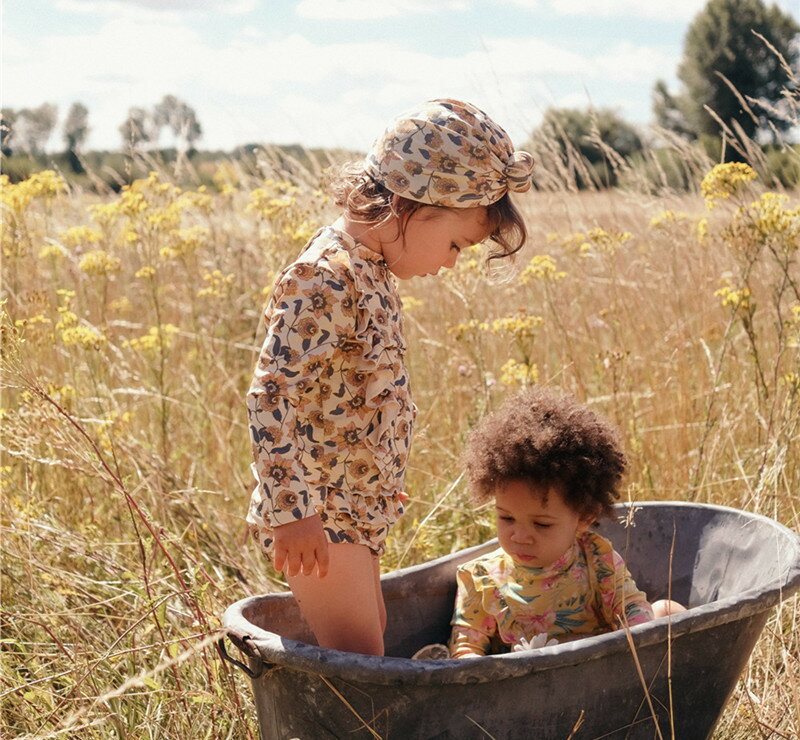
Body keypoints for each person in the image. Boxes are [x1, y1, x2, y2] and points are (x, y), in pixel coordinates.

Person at [246, 99, 535, 656]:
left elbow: (350, 392)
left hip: (353, 504)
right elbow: (271, 397)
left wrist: (376, 468)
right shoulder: (325, 276)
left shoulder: (370, 272)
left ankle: (367, 739)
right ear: (416, 204)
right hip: (319, 512)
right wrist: (292, 513)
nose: (451, 263)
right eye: (456, 244)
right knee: (359, 655)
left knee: (370, 632)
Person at [449, 386, 685, 659]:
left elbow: (631, 607)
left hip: (603, 670)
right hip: (526, 689)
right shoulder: (481, 579)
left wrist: (638, 642)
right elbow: (465, 647)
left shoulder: (596, 559)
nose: (520, 536)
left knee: (667, 611)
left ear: (584, 518)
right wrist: (475, 663)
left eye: (542, 524)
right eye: (507, 518)